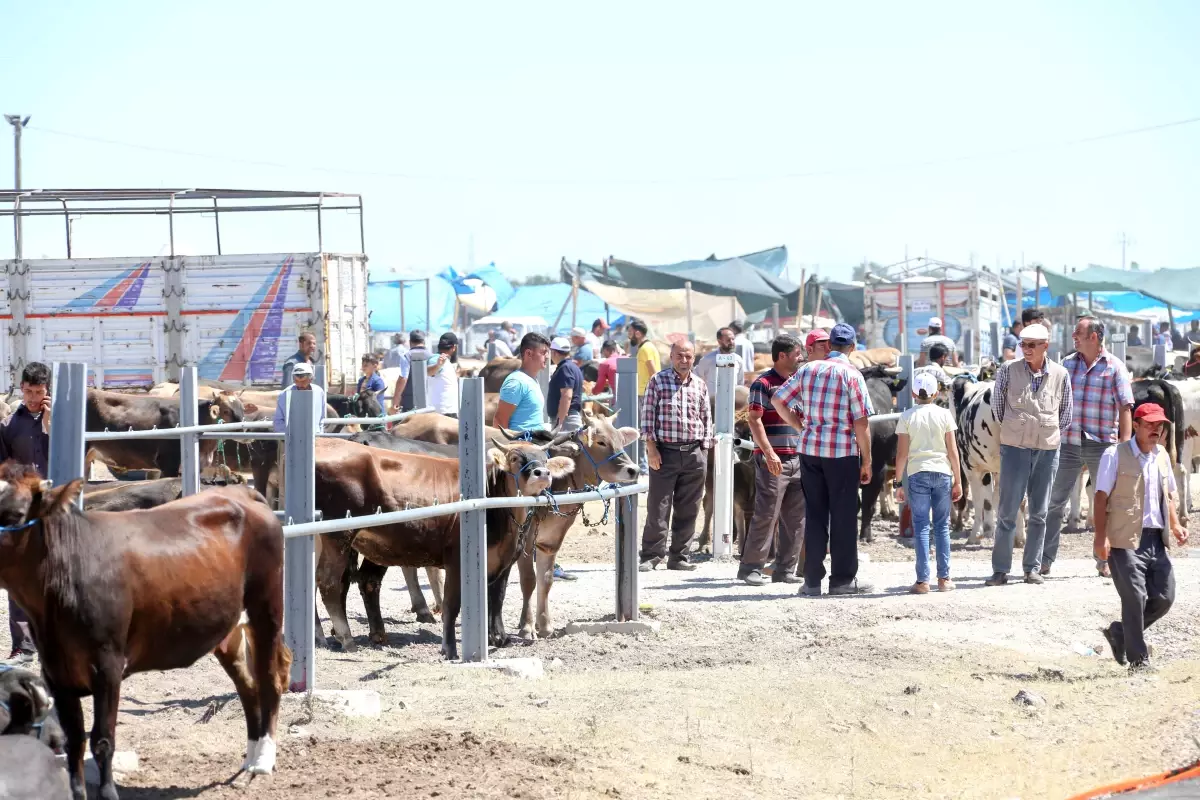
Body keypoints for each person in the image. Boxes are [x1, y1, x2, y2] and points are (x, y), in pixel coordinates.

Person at [772, 323, 874, 596]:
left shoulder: (806, 370)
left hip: (810, 451)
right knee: (843, 517)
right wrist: (867, 461)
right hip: (841, 453)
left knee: (815, 515)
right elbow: (861, 423)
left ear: (829, 347)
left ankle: (812, 581)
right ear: (851, 348)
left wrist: (800, 427)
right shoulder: (851, 374)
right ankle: (842, 581)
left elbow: (778, 400)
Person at [1094, 403, 1188, 670]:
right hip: (1124, 540)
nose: (1155, 430)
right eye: (1150, 425)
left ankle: (1121, 633)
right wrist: (1100, 538)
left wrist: (1176, 524)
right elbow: (1100, 498)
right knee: (1135, 597)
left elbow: (1166, 495)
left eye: (1159, 426)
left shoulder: (1162, 457)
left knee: (1164, 597)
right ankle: (1139, 660)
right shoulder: (1114, 455)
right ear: (1135, 425)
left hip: (1156, 540)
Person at [1042, 316, 1133, 578]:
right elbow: (1051, 400)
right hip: (1068, 442)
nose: (1074, 336)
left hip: (1103, 444)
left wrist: (1124, 446)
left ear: (1093, 337)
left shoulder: (1115, 367)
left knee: (1106, 503)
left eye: (1078, 332)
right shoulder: (1066, 365)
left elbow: (1125, 407)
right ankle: (1044, 559)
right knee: (1055, 501)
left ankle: (1105, 560)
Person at [984, 323, 1072, 586]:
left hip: (1047, 450)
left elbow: (1065, 416)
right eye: (1023, 344)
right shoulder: (1007, 371)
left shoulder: (1061, 374)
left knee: (1039, 512)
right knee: (1008, 511)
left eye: (1032, 345)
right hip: (1014, 449)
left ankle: (1031, 568)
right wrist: (1016, 431)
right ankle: (1000, 570)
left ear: (1046, 346)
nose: (1026, 349)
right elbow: (998, 409)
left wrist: (1044, 433)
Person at [737, 334, 806, 586]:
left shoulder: (798, 382)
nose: (800, 358)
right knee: (766, 513)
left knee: (796, 517)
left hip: (799, 457)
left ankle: (785, 569)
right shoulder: (762, 384)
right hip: (772, 460)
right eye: (797, 354)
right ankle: (751, 567)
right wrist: (768, 452)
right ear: (782, 356)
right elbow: (754, 420)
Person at [639, 340, 712, 572]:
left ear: (694, 359)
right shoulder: (658, 381)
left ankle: (679, 557)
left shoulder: (700, 385)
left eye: (688, 356)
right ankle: (651, 555)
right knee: (658, 507)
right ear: (671, 356)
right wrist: (651, 448)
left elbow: (706, 418)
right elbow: (648, 416)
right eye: (679, 356)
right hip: (664, 454)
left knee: (689, 507)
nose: (684, 360)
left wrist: (704, 450)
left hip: (694, 454)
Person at [0, 362, 51, 665]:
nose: (33, 397)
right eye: (29, 391)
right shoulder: (8, 426)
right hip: (21, 509)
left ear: (47, 391)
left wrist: (49, 422)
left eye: (39, 392)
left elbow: (73, 454)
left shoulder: (59, 419)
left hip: (54, 503)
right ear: (21, 388)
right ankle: (23, 647)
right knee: (18, 575)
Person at [894, 372, 963, 594]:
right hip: (942, 473)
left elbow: (902, 454)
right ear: (935, 393)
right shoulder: (944, 415)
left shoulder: (906, 416)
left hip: (917, 473)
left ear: (914, 393)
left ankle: (923, 581)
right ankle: (944, 579)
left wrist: (898, 482)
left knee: (922, 526)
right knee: (942, 526)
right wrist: (958, 481)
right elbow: (953, 451)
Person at [494, 332, 551, 432]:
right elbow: (499, 421)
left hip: (535, 444)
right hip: (521, 445)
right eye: (543, 352)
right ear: (529, 353)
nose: (547, 356)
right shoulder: (516, 382)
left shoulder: (531, 380)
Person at [629, 319, 661, 474]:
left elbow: (652, 371)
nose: (629, 335)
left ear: (637, 332)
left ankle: (643, 467)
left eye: (630, 332)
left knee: (643, 430)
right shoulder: (646, 347)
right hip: (644, 392)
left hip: (644, 393)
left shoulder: (645, 349)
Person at [273, 362, 327, 435]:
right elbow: (278, 421)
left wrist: (320, 433)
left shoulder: (319, 392)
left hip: (315, 437)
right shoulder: (284, 395)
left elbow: (322, 417)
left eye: (303, 381)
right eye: (296, 381)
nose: (300, 384)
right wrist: (291, 435)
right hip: (292, 439)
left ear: (311, 379)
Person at [547, 336, 585, 431]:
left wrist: (560, 422)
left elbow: (566, 396)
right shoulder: (572, 367)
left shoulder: (565, 368)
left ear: (554, 352)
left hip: (566, 421)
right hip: (568, 419)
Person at [693, 327, 746, 396]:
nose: (732, 342)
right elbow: (696, 378)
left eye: (733, 339)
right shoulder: (708, 359)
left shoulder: (738, 360)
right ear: (719, 341)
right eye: (728, 340)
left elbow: (740, 383)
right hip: (712, 403)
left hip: (732, 402)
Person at [388, 330, 430, 414]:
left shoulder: (407, 356)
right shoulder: (431, 356)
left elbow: (403, 378)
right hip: (430, 401)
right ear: (424, 342)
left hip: (410, 403)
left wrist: (396, 399)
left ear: (410, 342)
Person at [428, 332, 460, 418]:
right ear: (454, 347)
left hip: (446, 410)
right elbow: (429, 372)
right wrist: (438, 365)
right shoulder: (437, 358)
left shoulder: (444, 360)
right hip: (444, 412)